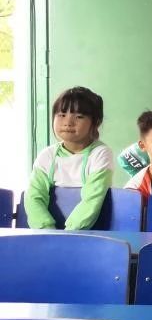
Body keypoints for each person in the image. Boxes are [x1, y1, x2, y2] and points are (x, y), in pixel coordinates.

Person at [26, 87, 112, 231]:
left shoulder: (100, 154)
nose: (68, 122)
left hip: (88, 233)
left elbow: (92, 200)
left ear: (96, 122)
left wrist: (68, 235)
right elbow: (34, 198)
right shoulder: (47, 156)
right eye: (61, 114)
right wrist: (47, 231)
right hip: (48, 234)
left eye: (79, 116)